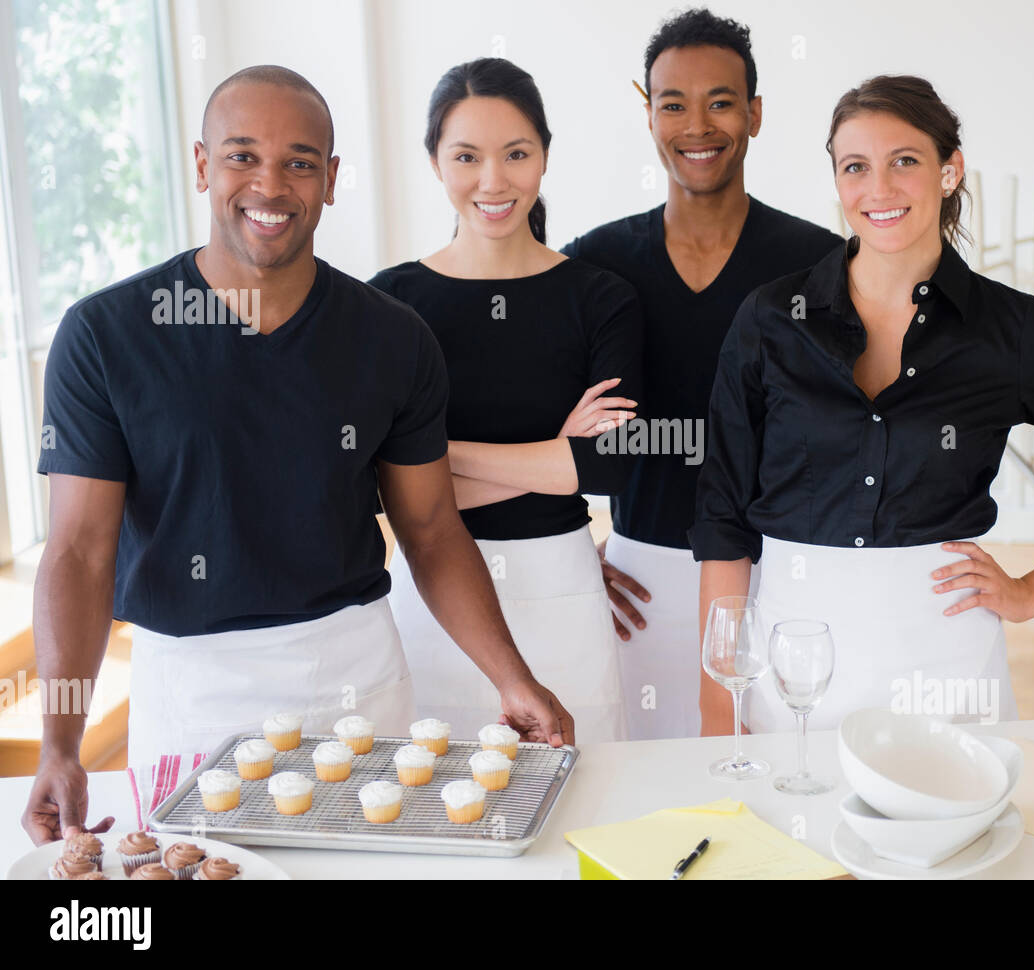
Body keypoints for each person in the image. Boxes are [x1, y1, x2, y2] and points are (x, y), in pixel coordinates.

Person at [21, 65, 573, 844]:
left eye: (300, 162)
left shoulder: (393, 337)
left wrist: (513, 680)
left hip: (354, 685)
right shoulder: (105, 335)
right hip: (190, 694)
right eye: (242, 156)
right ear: (204, 164)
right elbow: (77, 552)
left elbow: (432, 531)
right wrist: (60, 743)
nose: (270, 185)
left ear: (332, 178)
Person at [691, 74, 1034, 734]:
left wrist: (1033, 592)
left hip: (945, 662)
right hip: (793, 658)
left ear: (949, 171)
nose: (879, 189)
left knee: (951, 835)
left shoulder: (1010, 329)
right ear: (838, 181)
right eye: (855, 167)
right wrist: (716, 706)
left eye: (905, 161)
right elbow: (723, 517)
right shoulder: (771, 320)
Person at [560, 8, 843, 739]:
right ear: (646, 109)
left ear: (754, 113)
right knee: (648, 798)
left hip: (782, 574)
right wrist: (563, 547)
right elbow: (539, 414)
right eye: (673, 104)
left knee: (772, 793)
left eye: (720, 102)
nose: (698, 126)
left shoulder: (817, 264)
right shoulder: (594, 264)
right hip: (639, 583)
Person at [369, 58, 643, 743]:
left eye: (516, 154)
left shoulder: (600, 298)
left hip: (562, 591)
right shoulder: (388, 304)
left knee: (581, 801)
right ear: (435, 162)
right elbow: (369, 489)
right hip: (432, 604)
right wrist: (555, 457)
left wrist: (427, 459)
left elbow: (609, 468)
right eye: (467, 156)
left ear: (544, 156)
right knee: (437, 806)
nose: (493, 181)